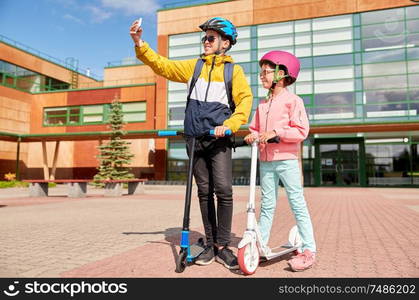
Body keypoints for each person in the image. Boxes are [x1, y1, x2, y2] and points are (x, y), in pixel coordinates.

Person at [130, 17, 253, 269]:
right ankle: (209, 244)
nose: (205, 41)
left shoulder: (233, 71)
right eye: (204, 38)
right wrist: (139, 43)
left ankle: (223, 245)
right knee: (204, 192)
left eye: (211, 38)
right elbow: (162, 65)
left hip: (218, 140)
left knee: (224, 191)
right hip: (195, 139)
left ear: (225, 43)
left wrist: (229, 126)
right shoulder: (194, 68)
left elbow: (245, 102)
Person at [244, 50, 316, 272]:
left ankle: (309, 249)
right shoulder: (263, 105)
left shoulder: (293, 101)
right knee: (267, 205)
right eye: (261, 73)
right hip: (265, 161)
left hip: (286, 160)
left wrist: (276, 131)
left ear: (281, 74)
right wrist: (252, 134)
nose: (262, 76)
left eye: (266, 72)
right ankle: (260, 244)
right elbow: (256, 128)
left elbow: (301, 130)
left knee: (297, 203)